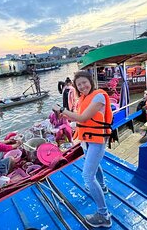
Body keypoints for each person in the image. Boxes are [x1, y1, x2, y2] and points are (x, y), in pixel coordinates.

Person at [52, 71, 113, 228]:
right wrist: (65, 117)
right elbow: (76, 118)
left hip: (97, 141)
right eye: (79, 84)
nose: (82, 86)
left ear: (90, 81)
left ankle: (103, 215)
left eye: (84, 82)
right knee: (93, 165)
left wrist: (62, 110)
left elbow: (82, 118)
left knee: (87, 175)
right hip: (87, 139)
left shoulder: (98, 97)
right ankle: (103, 187)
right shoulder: (82, 99)